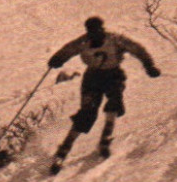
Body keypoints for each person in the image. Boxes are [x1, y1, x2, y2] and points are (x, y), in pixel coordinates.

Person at [46, 16, 160, 172]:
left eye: (97, 30)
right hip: (92, 78)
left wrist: (149, 65)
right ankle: (63, 151)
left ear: (102, 29)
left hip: (113, 75)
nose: (94, 34)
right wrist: (57, 59)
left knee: (114, 102)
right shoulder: (83, 42)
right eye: (91, 31)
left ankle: (105, 137)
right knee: (87, 113)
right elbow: (68, 49)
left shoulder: (114, 39)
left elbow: (136, 49)